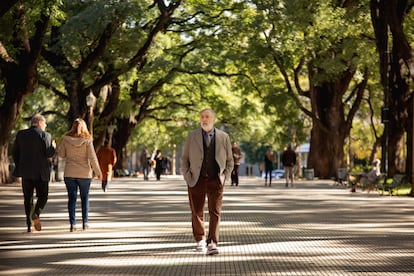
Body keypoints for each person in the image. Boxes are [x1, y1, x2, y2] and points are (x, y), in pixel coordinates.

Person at [181, 108, 234, 255]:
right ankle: (200, 240)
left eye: (207, 117)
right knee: (196, 212)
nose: (204, 119)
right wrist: (187, 175)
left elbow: (230, 160)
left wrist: (225, 177)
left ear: (213, 120)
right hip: (195, 179)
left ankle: (212, 242)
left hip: (216, 180)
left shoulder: (224, 137)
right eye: (202, 117)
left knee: (215, 212)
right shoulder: (192, 136)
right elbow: (184, 159)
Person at [12, 114, 56, 232]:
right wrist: (53, 146)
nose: (45, 126)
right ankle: (36, 213)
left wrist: (20, 166)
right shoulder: (45, 135)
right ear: (40, 122)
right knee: (43, 196)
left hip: (26, 173)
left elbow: (15, 153)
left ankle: (28, 224)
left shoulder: (21, 134)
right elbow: (49, 153)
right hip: (41, 173)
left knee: (28, 198)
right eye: (45, 123)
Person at [58, 118, 102, 232]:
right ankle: (85, 222)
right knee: (84, 198)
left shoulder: (66, 139)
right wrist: (98, 172)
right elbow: (92, 157)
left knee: (71, 199)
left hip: (70, 172)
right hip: (84, 174)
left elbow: (61, 154)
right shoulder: (87, 141)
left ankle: (73, 224)